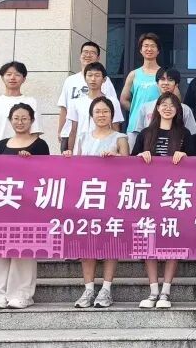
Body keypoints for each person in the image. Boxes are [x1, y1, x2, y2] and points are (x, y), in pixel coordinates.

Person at [0, 103, 49, 310]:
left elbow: (46, 173)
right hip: (4, 201)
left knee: (24, 248)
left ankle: (22, 294)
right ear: (10, 120)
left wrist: (31, 162)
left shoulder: (40, 144)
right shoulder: (1, 144)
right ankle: (1, 294)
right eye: (16, 118)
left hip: (28, 202)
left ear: (32, 121)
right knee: (1, 248)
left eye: (24, 118)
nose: (20, 122)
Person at [65, 97, 129, 309]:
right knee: (87, 244)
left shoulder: (120, 137)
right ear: (91, 115)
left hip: (112, 197)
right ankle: (89, 289)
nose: (101, 115)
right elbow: (76, 166)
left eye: (105, 111)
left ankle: (106, 289)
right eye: (97, 111)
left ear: (112, 114)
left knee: (111, 243)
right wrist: (68, 156)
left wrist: (116, 157)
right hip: (88, 197)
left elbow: (129, 166)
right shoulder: (82, 137)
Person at [131, 92, 193, 309]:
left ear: (178, 110)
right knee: (148, 241)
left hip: (174, 195)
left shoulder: (184, 134)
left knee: (172, 242)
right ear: (156, 108)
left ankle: (166, 291)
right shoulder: (146, 133)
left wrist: (185, 157)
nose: (167, 108)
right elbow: (131, 162)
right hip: (149, 195)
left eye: (172, 105)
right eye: (163, 104)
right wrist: (139, 157)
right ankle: (153, 291)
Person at [57, 42, 118, 152]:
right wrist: (60, 130)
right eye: (85, 52)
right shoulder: (70, 80)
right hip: (70, 132)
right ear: (80, 55)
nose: (88, 55)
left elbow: (112, 111)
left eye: (92, 53)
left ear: (98, 58)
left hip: (99, 137)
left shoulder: (106, 81)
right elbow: (64, 107)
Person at [0, 61, 43, 154]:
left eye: (17, 75)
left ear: (24, 79)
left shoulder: (32, 102)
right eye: (8, 74)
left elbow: (35, 132)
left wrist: (29, 152)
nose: (12, 78)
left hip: (23, 156)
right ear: (2, 78)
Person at [129, 68, 196, 150]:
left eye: (170, 80)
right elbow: (139, 134)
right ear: (157, 83)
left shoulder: (185, 109)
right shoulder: (145, 107)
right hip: (149, 153)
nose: (166, 83)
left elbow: (190, 137)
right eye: (162, 79)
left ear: (176, 84)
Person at [65, 62, 123, 153]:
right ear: (85, 78)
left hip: (106, 151)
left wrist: (117, 151)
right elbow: (73, 130)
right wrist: (70, 151)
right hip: (82, 150)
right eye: (90, 75)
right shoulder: (76, 102)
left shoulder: (113, 101)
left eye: (97, 75)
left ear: (104, 79)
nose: (93, 79)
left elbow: (115, 127)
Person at [120, 33, 164, 137]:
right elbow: (123, 100)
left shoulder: (164, 74)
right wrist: (137, 110)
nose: (149, 49)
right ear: (140, 50)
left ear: (158, 51)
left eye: (153, 46)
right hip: (135, 126)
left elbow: (176, 99)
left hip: (159, 125)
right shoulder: (133, 74)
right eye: (146, 46)